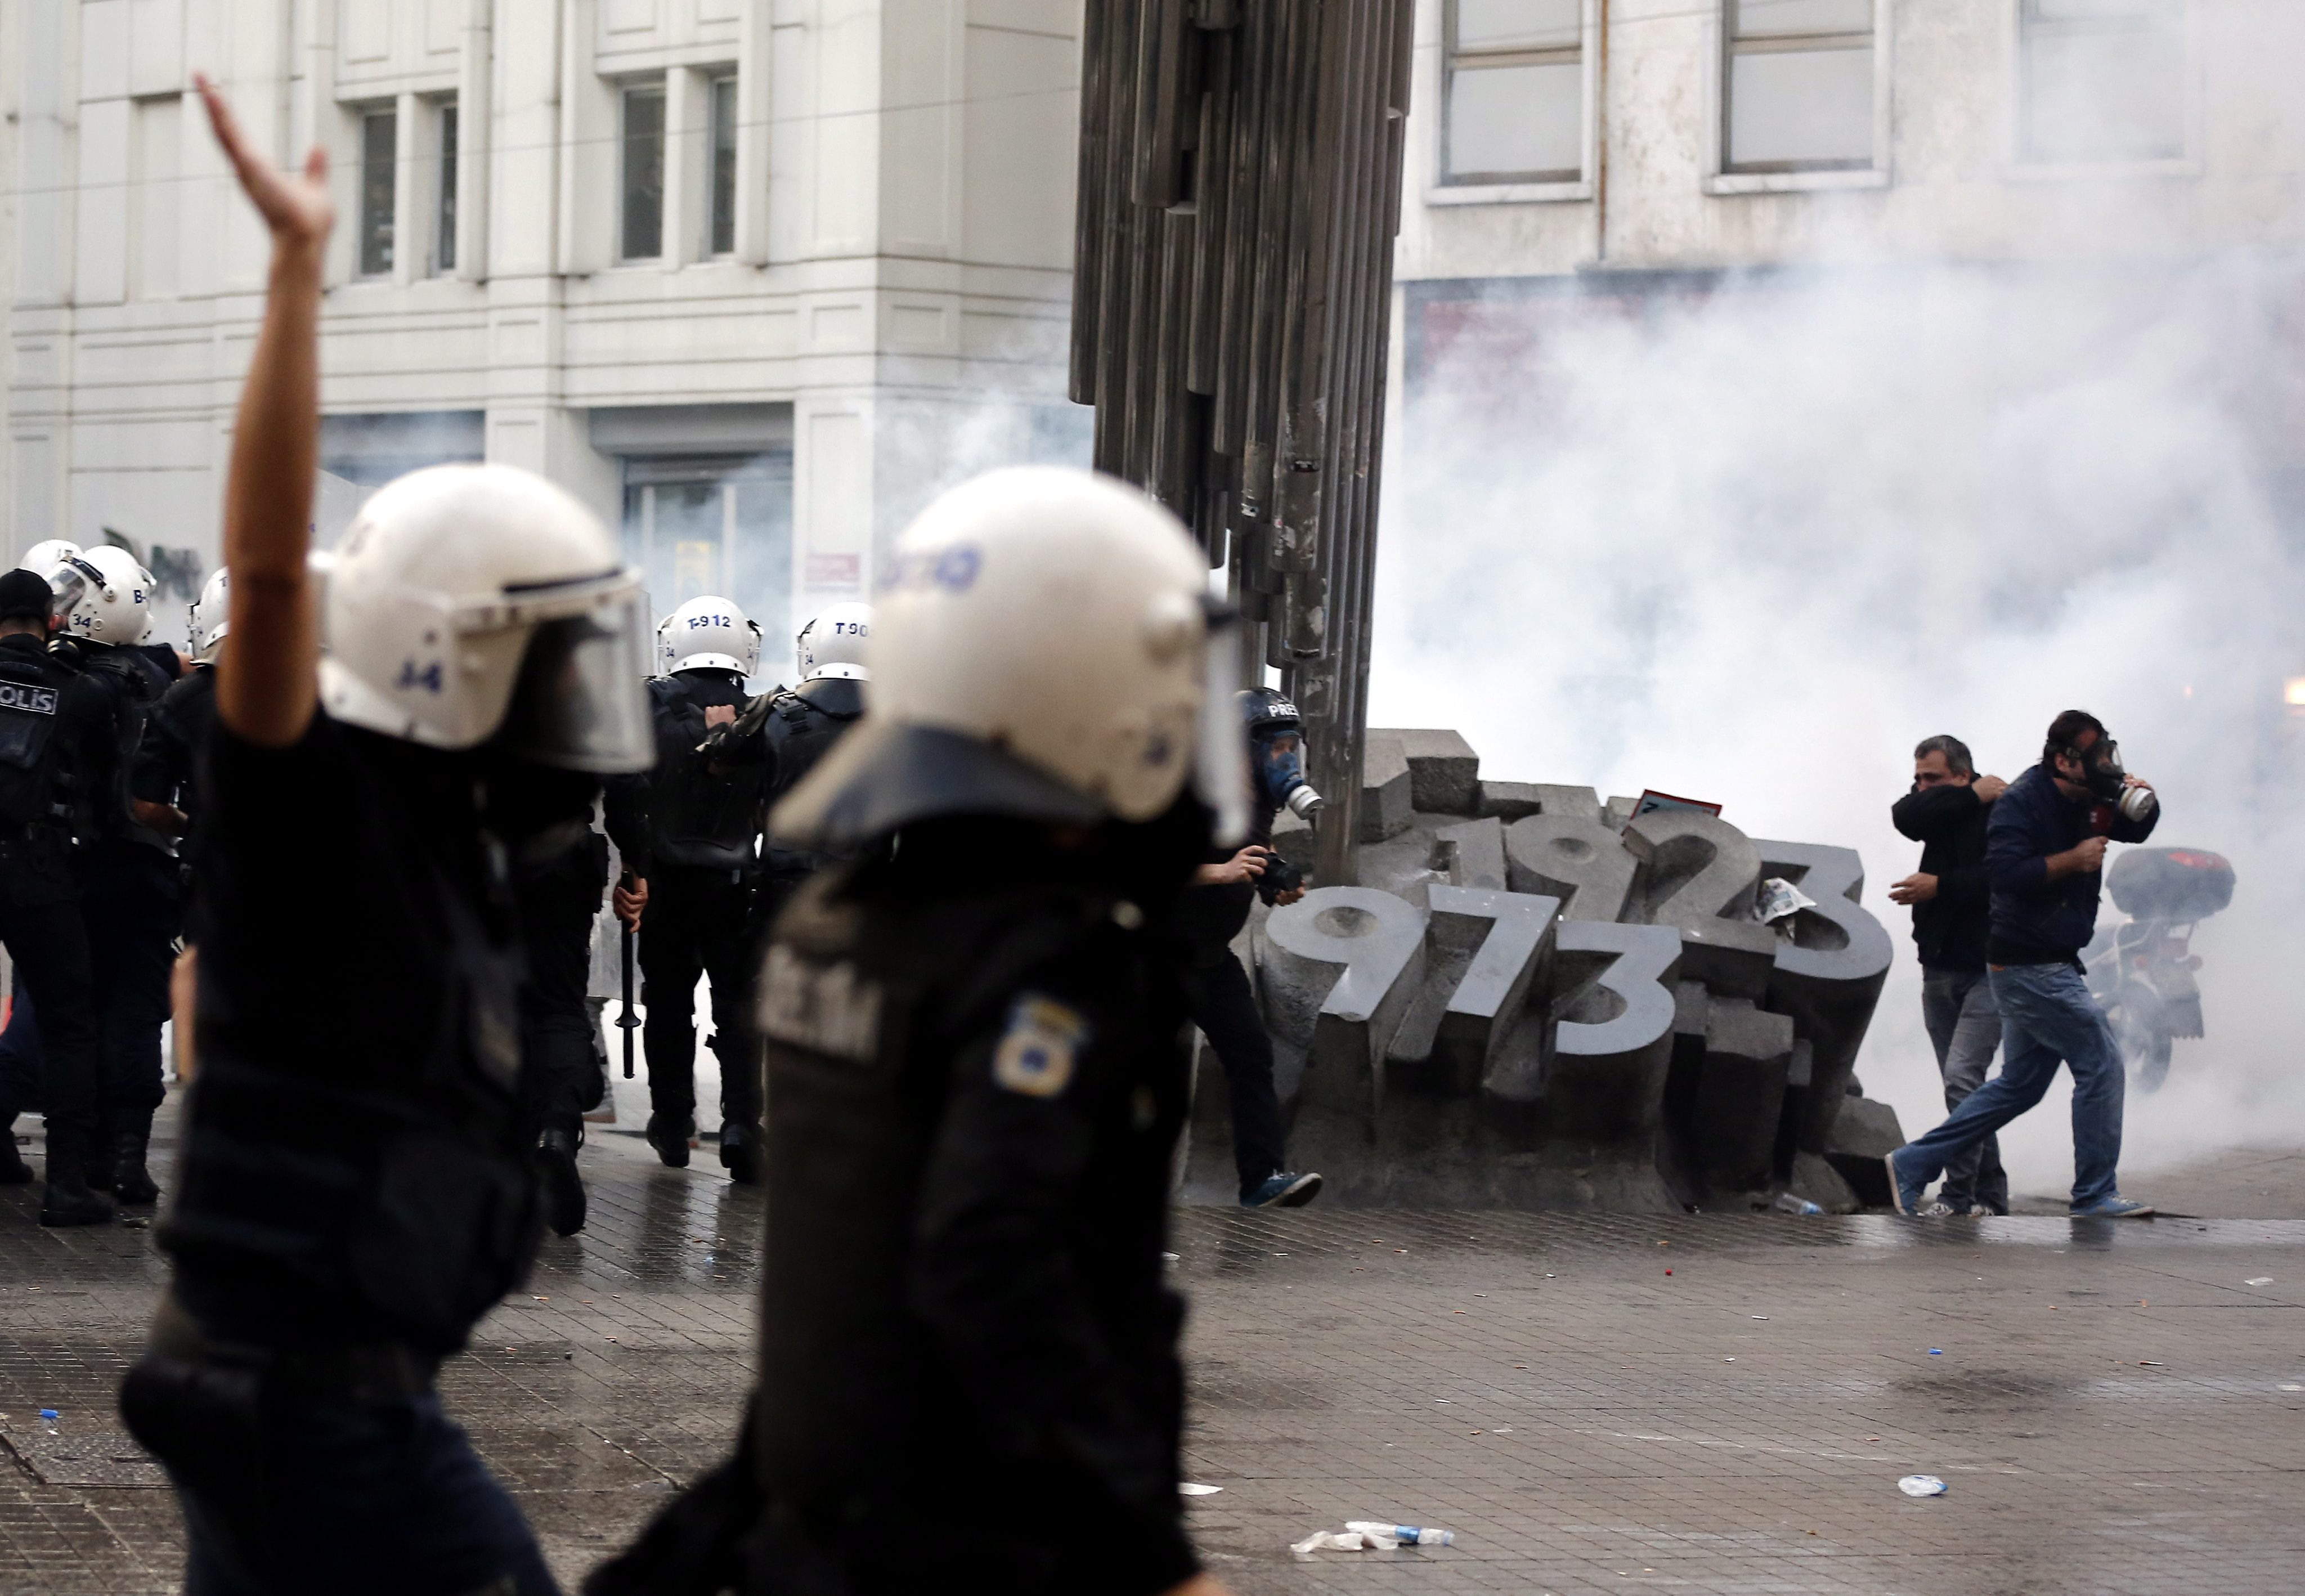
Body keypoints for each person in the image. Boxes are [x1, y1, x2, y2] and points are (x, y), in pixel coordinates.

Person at [116, 78, 653, 1596]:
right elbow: (270, 580)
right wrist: (297, 275)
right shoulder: (319, 802)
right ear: (446, 660)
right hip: (314, 1403)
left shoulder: (452, 843)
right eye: (545, 670)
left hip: (300, 1384)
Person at [587, 466, 1237, 1596]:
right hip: (983, 1541)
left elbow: (851, 1277)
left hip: (823, 1506)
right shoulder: (1053, 965)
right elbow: (991, 1262)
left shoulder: (846, 927)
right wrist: (1154, 1557)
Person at [1888, 710, 2160, 1220]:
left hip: (2044, 960)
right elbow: (2007, 874)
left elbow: (2134, 828)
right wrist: (2071, 862)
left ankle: (1910, 1164)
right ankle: (2095, 1194)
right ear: (2064, 761)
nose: (2105, 764)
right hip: (2029, 963)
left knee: (2019, 1086)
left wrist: (2144, 802)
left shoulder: (2088, 797)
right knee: (2101, 1064)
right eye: (2094, 755)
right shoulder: (2021, 803)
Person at [626, 595, 774, 1179]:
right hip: (736, 885)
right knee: (737, 1009)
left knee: (667, 1006)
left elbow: (626, 789)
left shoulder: (647, 709)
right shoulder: (768, 712)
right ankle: (740, 1121)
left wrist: (632, 866)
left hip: (664, 883)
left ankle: (672, 1122)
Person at [1175, 688, 1322, 1208]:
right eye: (1277, 747)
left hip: (1210, 959)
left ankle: (1261, 1180)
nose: (1287, 759)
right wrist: (1221, 871)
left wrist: (1272, 883)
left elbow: (1251, 853)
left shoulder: (1258, 799)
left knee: (1251, 1057)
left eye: (1291, 747)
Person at [0, 566, 114, 1223]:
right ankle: (67, 1185)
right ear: (52, 619)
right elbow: (105, 789)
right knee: (70, 1022)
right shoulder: (82, 693)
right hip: (42, 871)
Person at [1887, 734, 2010, 1217]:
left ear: (1964, 773)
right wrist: (1963, 796)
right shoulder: (1940, 806)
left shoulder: (1999, 810)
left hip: (1988, 966)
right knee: (1969, 1096)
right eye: (1918, 778)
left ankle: (1958, 1199)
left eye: (1932, 778)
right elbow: (1904, 816)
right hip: (1937, 966)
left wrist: (1941, 887)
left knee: (1963, 1082)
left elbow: (2005, 877)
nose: (1922, 787)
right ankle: (1991, 1198)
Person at [699, 601, 872, 927]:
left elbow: (716, 765)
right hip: (867, 888)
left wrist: (719, 731)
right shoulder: (900, 729)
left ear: (812, 650)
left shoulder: (774, 714)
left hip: (786, 883)